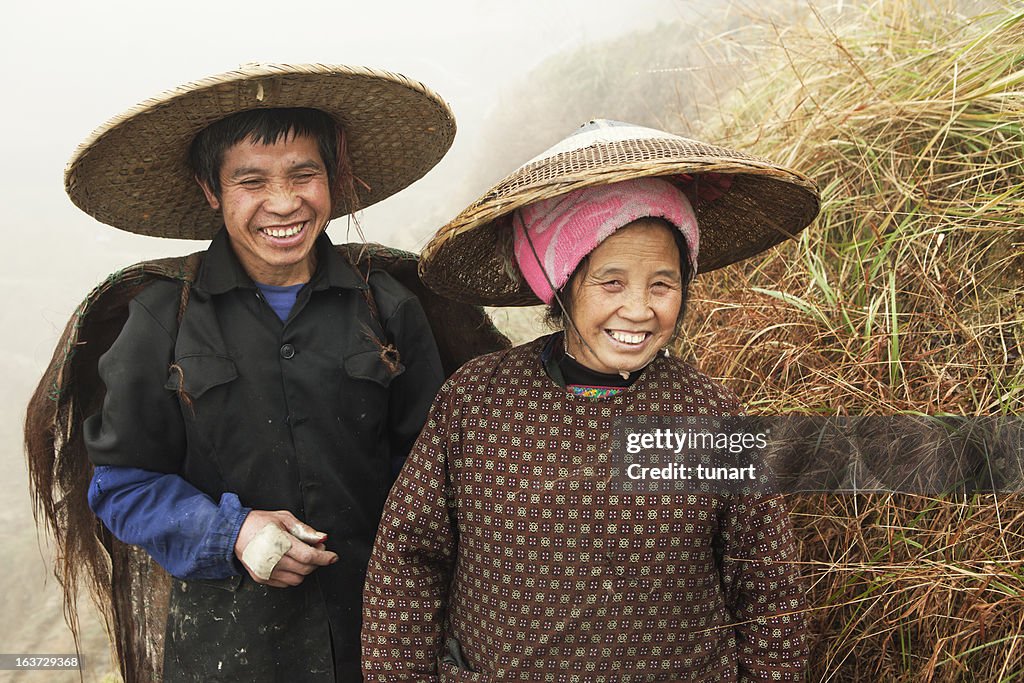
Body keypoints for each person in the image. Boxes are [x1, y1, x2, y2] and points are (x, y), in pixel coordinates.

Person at [26, 64, 506, 682]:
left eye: (305, 174)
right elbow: (122, 484)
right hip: (226, 649)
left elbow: (434, 477)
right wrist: (233, 531)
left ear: (331, 178)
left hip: (380, 638)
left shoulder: (388, 307)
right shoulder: (160, 317)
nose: (284, 203)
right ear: (211, 189)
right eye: (250, 181)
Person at [362, 120, 820, 680]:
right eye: (611, 283)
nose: (639, 309)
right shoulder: (478, 401)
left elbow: (769, 591)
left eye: (662, 283)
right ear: (562, 283)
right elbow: (408, 559)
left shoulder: (708, 413)